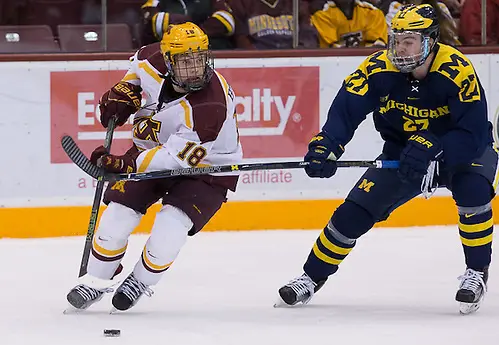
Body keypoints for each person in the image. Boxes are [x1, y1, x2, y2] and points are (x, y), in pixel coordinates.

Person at [276, 4, 496, 315]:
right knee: (352, 214)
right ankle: (311, 277)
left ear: (431, 41)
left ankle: (476, 274)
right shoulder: (378, 68)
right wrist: (328, 144)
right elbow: (346, 110)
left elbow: (472, 131)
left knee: (473, 192)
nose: (400, 48)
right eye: (396, 40)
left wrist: (435, 146)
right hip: (402, 154)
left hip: (461, 150)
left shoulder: (456, 70)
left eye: (409, 41)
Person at [66, 22, 242, 312]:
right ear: (169, 59)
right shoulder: (150, 59)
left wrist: (125, 165)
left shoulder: (210, 106)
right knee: (116, 219)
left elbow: (176, 159)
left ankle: (140, 281)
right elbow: (133, 77)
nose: (195, 68)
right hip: (152, 148)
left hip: (208, 169)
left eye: (200, 59)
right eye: (186, 61)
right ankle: (95, 280)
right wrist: (121, 95)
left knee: (169, 231)